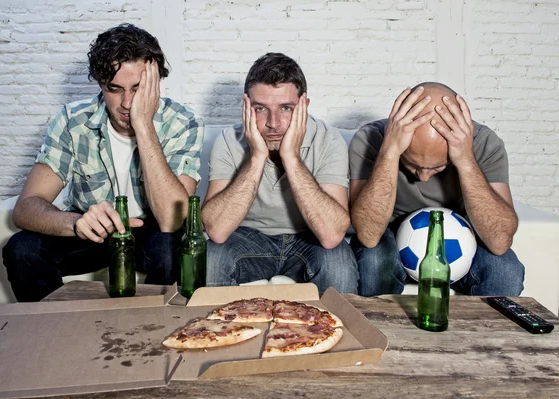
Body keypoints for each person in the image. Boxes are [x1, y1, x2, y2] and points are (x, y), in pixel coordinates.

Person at [3, 24, 204, 302]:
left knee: (169, 250)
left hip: (153, 229)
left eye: (138, 88)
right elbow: (25, 208)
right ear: (100, 83)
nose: (127, 102)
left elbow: (172, 219)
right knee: (21, 250)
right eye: (114, 88)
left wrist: (143, 125)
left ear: (155, 83)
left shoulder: (182, 122)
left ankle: (150, 333)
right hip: (94, 228)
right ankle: (53, 330)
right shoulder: (73, 120)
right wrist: (76, 223)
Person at [349, 82, 524, 296]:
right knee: (374, 259)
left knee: (506, 270)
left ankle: (483, 330)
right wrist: (391, 151)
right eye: (412, 164)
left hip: (460, 240)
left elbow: (499, 242)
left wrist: (466, 161)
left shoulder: (485, 143)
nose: (422, 177)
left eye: (437, 167)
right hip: (389, 236)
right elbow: (368, 235)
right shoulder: (370, 139)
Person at [202, 53, 359, 293]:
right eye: (260, 109)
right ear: (246, 106)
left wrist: (291, 158)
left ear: (304, 106)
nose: (273, 123)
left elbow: (331, 235)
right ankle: (216, 331)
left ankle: (338, 330)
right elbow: (217, 231)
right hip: (246, 238)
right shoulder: (228, 142)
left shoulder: (328, 140)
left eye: (286, 108)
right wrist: (256, 156)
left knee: (337, 261)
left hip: (308, 239)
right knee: (212, 256)